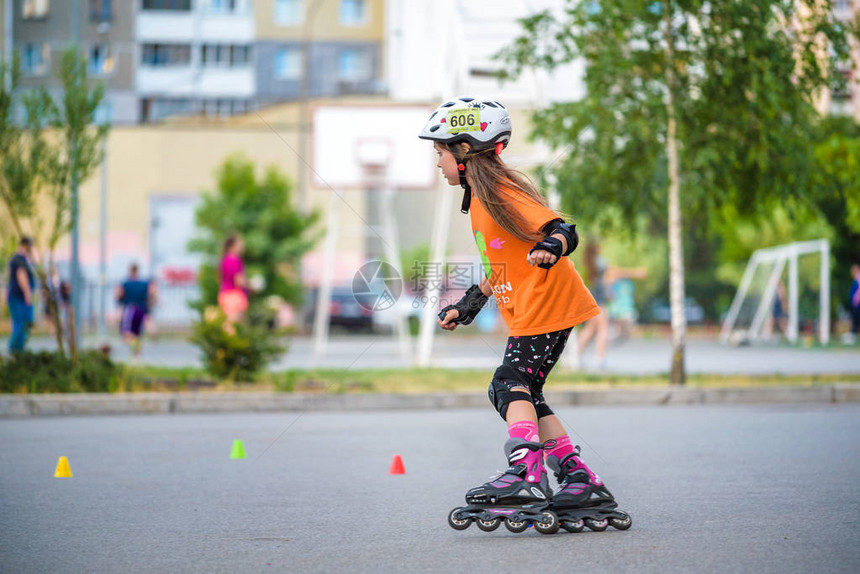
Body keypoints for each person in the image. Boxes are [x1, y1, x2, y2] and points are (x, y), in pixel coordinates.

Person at [420, 97, 631, 533]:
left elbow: (562, 229)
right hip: (536, 305)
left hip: (548, 303)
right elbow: (501, 267)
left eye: (439, 152)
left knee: (507, 384)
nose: (436, 162)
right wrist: (469, 305)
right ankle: (578, 480)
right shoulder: (479, 200)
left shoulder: (500, 191)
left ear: (463, 153)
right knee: (525, 396)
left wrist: (551, 247)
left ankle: (525, 475)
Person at [577, 240, 646, 369]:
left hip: (591, 299)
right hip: (599, 301)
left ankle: (578, 357)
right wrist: (636, 273)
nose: (600, 249)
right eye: (598, 247)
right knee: (603, 328)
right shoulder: (598, 262)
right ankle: (600, 359)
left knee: (590, 329)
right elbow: (614, 271)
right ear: (595, 249)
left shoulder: (587, 263)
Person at [115, 263, 156, 360]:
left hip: (131, 310)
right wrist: (150, 302)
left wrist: (120, 301)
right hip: (142, 310)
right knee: (136, 334)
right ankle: (136, 357)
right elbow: (153, 293)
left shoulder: (126, 283)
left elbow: (118, 294)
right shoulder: (144, 283)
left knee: (126, 334)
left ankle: (136, 348)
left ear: (130, 271)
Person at [6, 237, 36, 354]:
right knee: (23, 323)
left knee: (20, 323)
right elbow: (21, 276)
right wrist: (27, 293)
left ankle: (17, 350)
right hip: (20, 297)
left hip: (16, 296)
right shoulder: (20, 260)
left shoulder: (16, 259)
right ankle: (14, 348)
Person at [218, 235, 249, 325]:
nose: (242, 246)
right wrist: (251, 286)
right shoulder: (235, 260)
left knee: (228, 323)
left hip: (224, 294)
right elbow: (239, 281)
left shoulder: (224, 259)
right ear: (233, 245)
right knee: (234, 326)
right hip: (235, 295)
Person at [850, 264, 860, 341]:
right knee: (855, 320)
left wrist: (856, 300)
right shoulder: (856, 279)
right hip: (856, 304)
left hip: (857, 304)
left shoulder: (858, 278)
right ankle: (854, 334)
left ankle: (854, 335)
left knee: (856, 319)